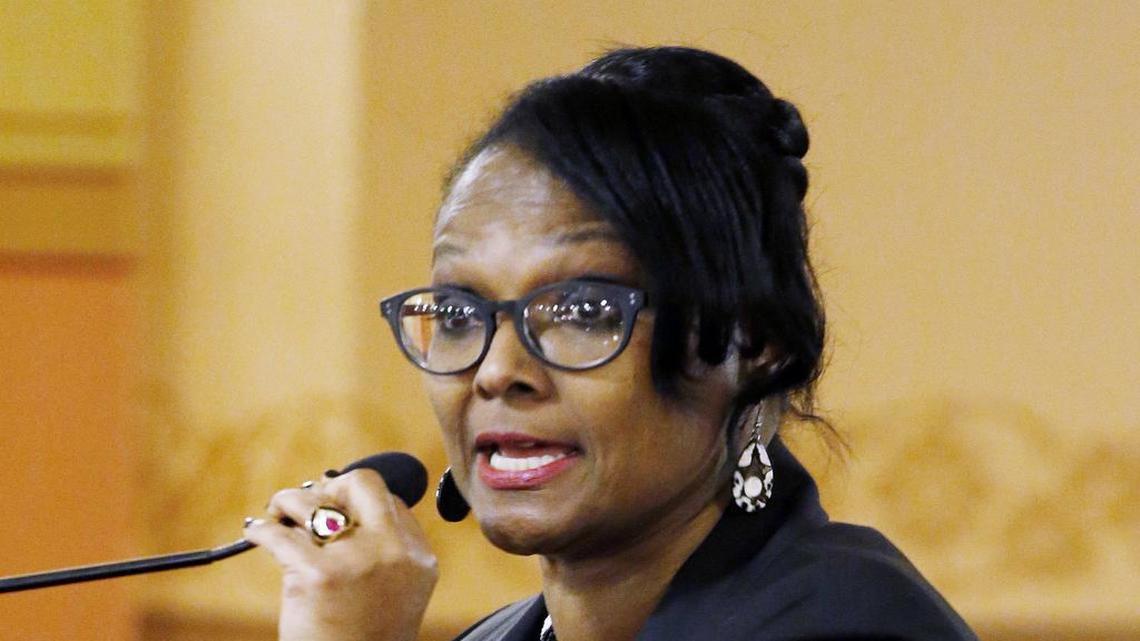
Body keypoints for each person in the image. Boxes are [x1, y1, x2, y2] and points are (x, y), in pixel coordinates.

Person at [243, 46, 978, 641]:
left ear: (753, 341)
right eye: (462, 312)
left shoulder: (853, 623)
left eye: (584, 309)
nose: (498, 371)